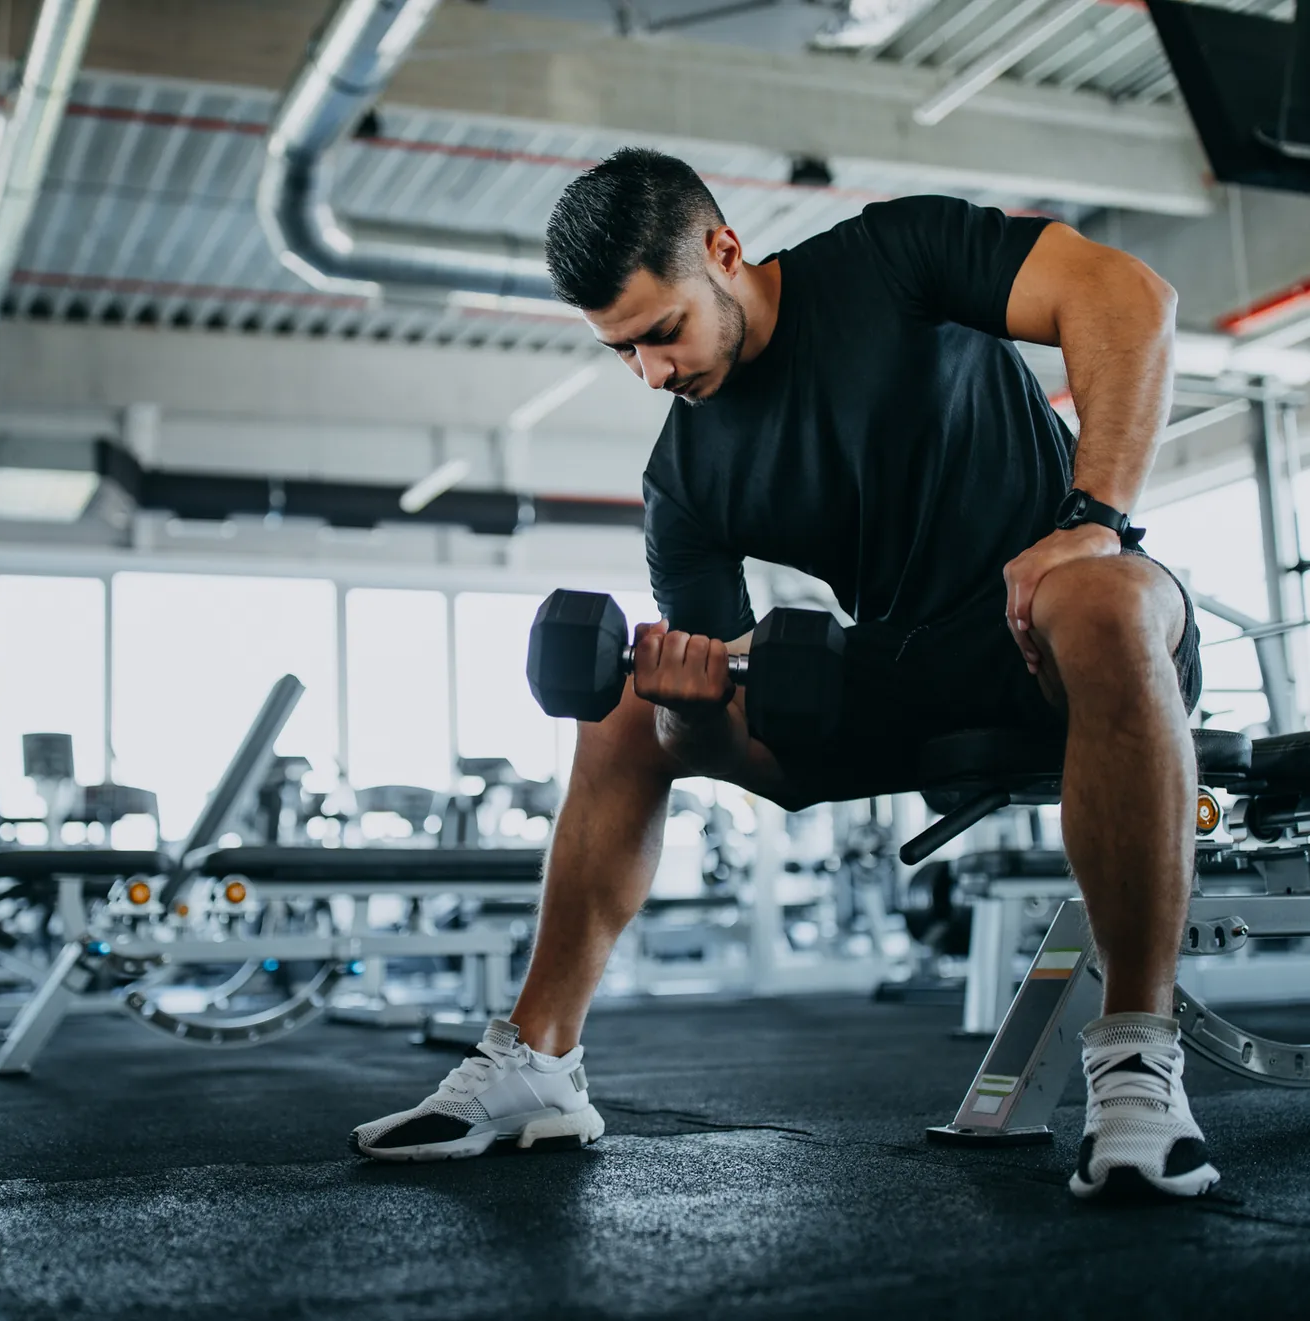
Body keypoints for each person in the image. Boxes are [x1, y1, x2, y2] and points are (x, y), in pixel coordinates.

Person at [351, 149, 1216, 1199]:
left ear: (723, 250)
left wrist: (1091, 524)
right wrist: (686, 695)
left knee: (1105, 592)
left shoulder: (895, 256)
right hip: (902, 675)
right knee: (627, 703)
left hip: (1062, 635)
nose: (654, 375)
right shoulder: (685, 477)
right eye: (622, 353)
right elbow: (725, 694)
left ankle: (1134, 1061)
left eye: (661, 332)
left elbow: (1129, 294)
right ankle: (539, 1061)